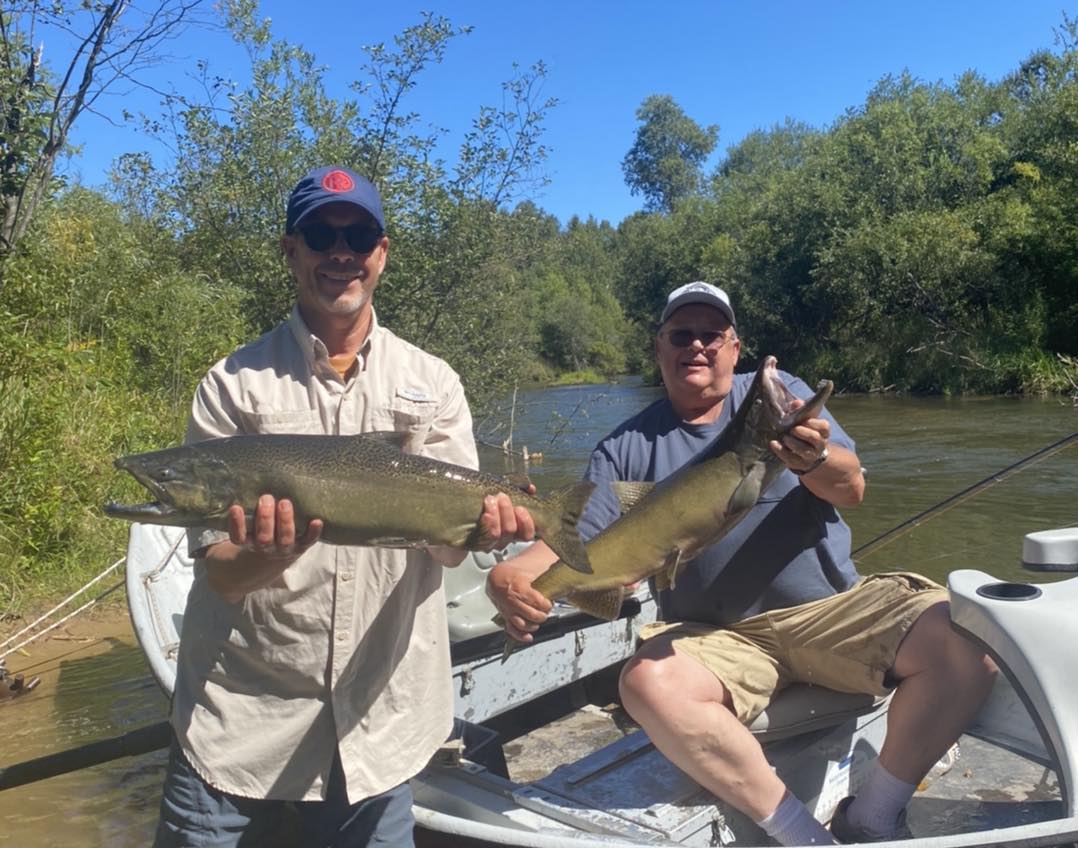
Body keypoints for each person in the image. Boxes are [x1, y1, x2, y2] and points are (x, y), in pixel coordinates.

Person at [486, 281, 998, 845]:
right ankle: (802, 835)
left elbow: (850, 489)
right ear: (659, 348)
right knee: (646, 684)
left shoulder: (779, 396)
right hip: (717, 637)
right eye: (682, 334)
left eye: (713, 335)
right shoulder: (624, 447)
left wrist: (814, 458)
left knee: (969, 640)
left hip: (831, 611)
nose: (698, 346)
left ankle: (874, 815)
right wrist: (515, 575)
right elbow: (579, 537)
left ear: (735, 347)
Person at [154, 165, 538, 847]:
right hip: (240, 717)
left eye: (357, 234)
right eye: (320, 234)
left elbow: (448, 547)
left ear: (380, 253)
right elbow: (220, 571)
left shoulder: (432, 382)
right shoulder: (231, 385)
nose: (341, 252)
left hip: (379, 721)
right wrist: (270, 550)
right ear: (291, 250)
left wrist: (485, 534)